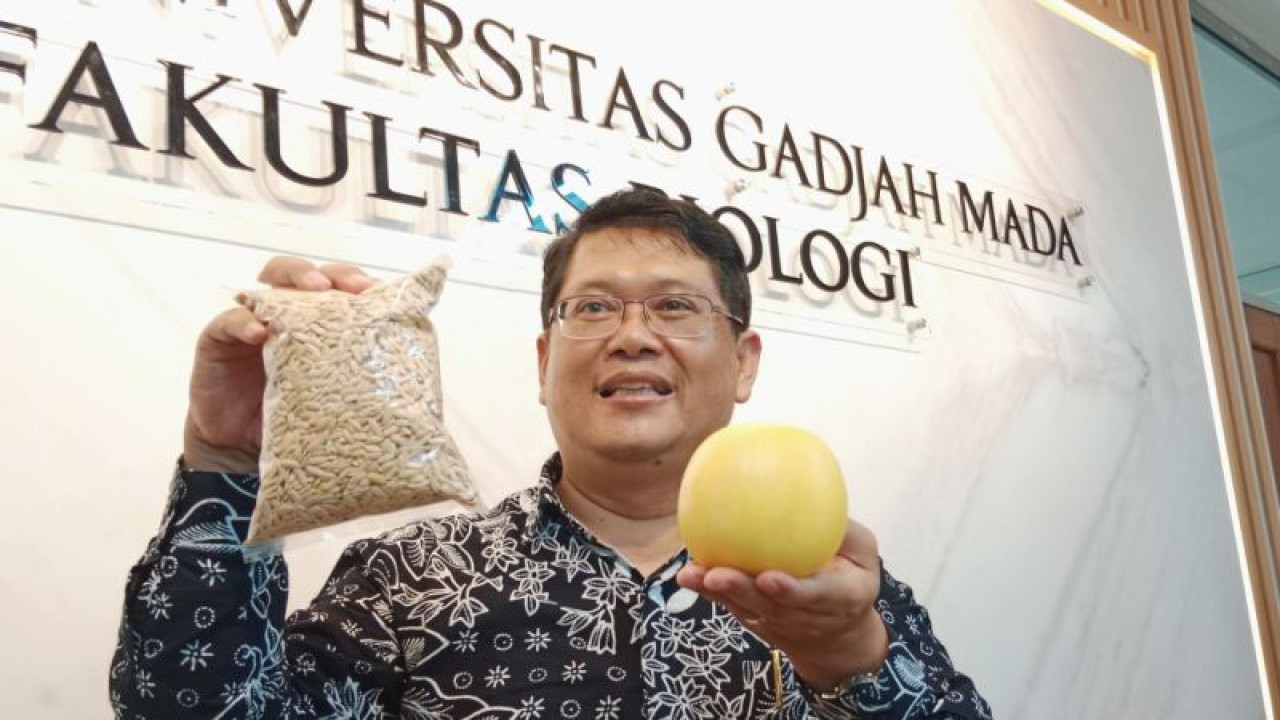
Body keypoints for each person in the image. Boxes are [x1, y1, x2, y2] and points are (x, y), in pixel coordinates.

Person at [111, 188, 990, 719]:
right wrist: (223, 459)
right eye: (594, 308)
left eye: (677, 308)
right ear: (544, 362)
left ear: (744, 361)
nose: (633, 336)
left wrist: (853, 662)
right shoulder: (410, 579)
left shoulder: (827, 589)